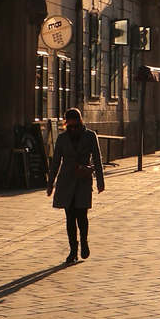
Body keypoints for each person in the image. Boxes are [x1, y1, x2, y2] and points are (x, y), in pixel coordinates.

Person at [47, 108, 105, 264]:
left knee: (82, 214)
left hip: (83, 179)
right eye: (70, 126)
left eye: (76, 126)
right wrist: (50, 183)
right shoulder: (62, 138)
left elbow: (98, 159)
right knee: (70, 216)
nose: (73, 129)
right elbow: (56, 161)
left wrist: (100, 181)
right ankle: (73, 249)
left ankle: (84, 242)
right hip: (66, 181)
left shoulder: (90, 136)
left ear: (81, 122)